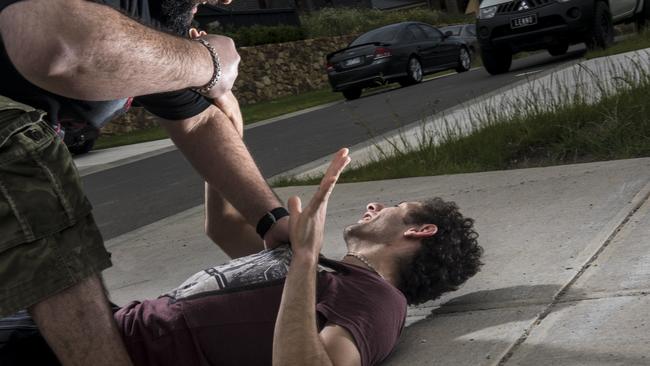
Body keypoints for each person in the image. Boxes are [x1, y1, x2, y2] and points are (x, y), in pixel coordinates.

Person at [0, 1, 291, 364]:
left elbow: (198, 122)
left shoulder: (159, 22)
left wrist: (272, 219)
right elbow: (61, 49)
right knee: (31, 171)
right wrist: (207, 63)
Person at [0, 149, 484, 366]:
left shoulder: (378, 303)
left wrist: (303, 260)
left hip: (98, 352)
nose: (375, 205)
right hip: (99, 326)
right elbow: (224, 225)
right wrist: (223, 131)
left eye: (393, 209)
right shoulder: (332, 273)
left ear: (419, 231)